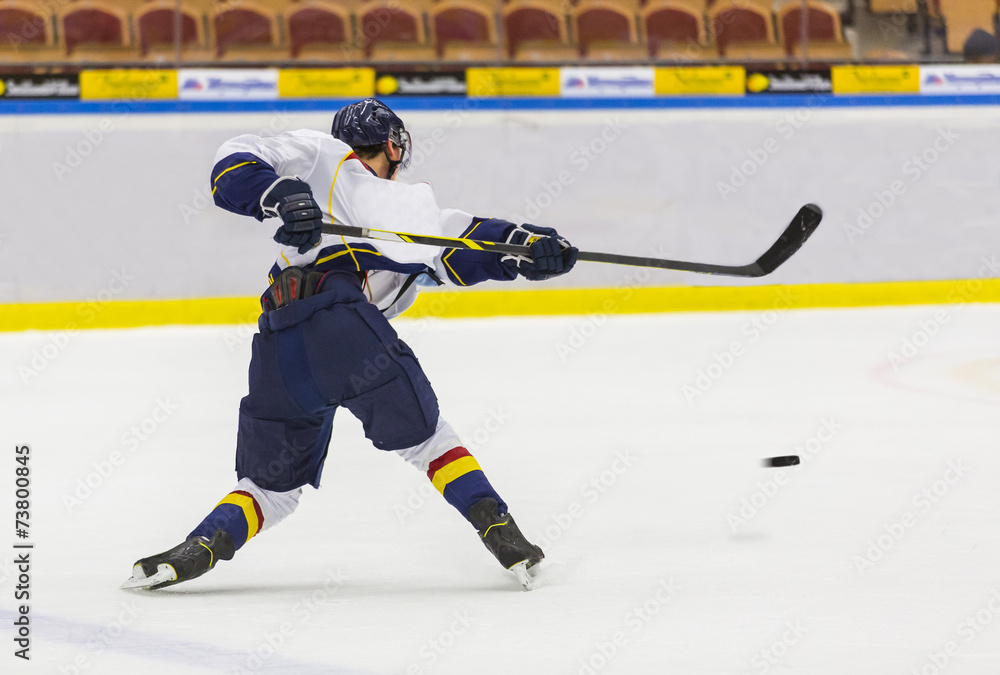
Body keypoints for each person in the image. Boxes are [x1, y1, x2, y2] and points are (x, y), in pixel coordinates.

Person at [122, 99, 578, 592]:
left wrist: (529, 248)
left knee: (271, 489)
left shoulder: (400, 212)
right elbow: (467, 243)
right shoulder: (327, 159)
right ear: (394, 147)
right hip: (347, 335)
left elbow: (475, 246)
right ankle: (500, 531)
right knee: (429, 441)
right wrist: (281, 194)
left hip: (280, 345)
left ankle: (199, 547)